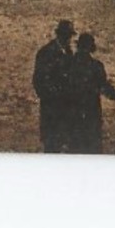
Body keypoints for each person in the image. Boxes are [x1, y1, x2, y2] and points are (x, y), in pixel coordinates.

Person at [67, 32, 115, 154]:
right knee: (92, 148)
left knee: (74, 149)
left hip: (73, 113)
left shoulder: (69, 63)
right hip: (91, 112)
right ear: (91, 48)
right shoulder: (96, 66)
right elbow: (104, 86)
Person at [32, 19, 76, 151]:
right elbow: (39, 81)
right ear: (59, 34)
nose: (67, 38)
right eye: (65, 35)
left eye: (69, 35)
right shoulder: (46, 53)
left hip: (65, 110)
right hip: (51, 108)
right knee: (52, 146)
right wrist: (52, 96)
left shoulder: (68, 53)